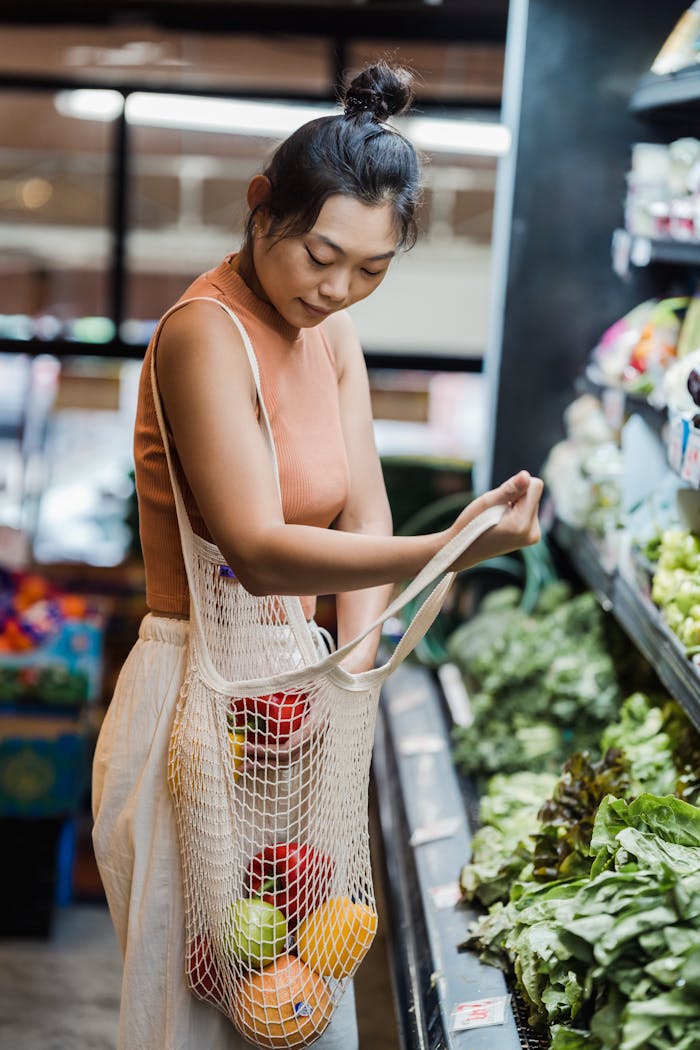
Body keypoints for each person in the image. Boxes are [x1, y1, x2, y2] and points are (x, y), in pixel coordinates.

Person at [92, 60, 543, 1050]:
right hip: (197, 711)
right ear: (263, 209)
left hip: (301, 697)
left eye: (372, 270)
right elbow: (256, 550)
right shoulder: (203, 335)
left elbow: (363, 517)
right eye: (319, 255)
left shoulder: (333, 332)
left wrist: (353, 684)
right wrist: (457, 545)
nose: (337, 289)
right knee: (202, 1011)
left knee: (300, 1003)